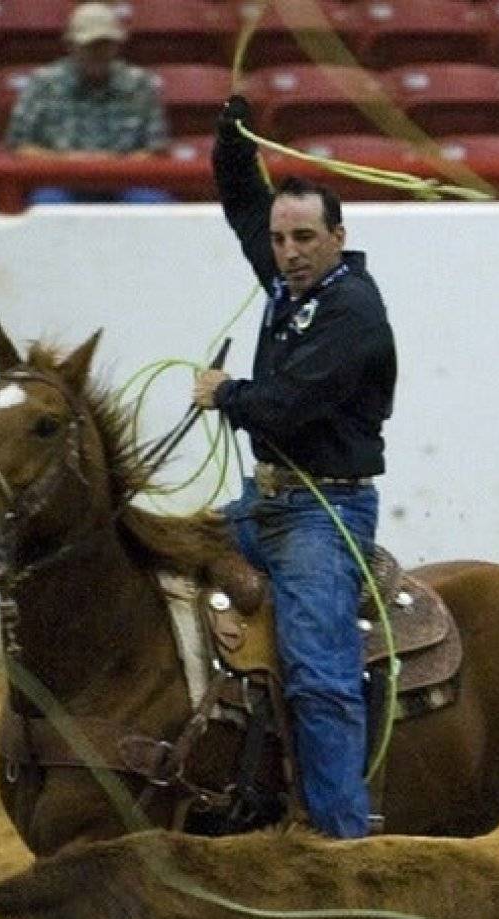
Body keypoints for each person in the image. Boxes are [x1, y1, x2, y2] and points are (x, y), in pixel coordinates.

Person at [192, 94, 397, 840]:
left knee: (321, 676)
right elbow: (243, 200)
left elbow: (285, 407)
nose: (289, 251)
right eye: (282, 240)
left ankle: (343, 843)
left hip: (325, 513)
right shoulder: (290, 282)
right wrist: (228, 140)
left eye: (305, 237)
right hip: (269, 501)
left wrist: (224, 394)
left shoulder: (354, 315)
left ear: (337, 237)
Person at [3, 2, 171, 205]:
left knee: (153, 203)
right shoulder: (43, 84)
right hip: (59, 180)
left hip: (127, 181)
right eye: (90, 45)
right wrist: (68, 163)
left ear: (117, 45)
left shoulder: (139, 84)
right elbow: (18, 146)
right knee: (48, 204)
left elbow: (156, 149)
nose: (98, 53)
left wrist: (114, 166)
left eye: (105, 44)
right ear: (71, 45)